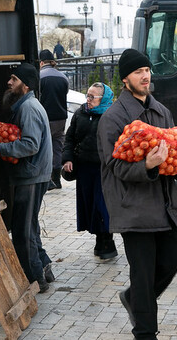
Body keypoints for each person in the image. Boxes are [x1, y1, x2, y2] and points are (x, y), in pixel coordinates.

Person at [97, 49, 177, 339]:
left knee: (173, 258)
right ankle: (145, 331)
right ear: (125, 80)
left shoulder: (161, 111)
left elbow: (173, 157)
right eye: (137, 72)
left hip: (165, 205)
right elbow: (114, 166)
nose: (145, 76)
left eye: (146, 69)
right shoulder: (112, 118)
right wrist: (146, 165)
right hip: (133, 207)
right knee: (143, 274)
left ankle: (134, 299)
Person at [0, 63, 55, 293]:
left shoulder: (29, 108)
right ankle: (43, 266)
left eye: (13, 79)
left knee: (23, 231)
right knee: (29, 226)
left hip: (31, 175)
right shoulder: (27, 105)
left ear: (25, 85)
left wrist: (0, 148)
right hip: (33, 173)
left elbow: (30, 144)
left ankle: (35, 279)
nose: (9, 83)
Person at [62, 82, 117, 260]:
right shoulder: (81, 113)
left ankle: (107, 242)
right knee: (89, 205)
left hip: (104, 170)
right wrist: (68, 158)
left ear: (103, 99)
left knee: (102, 206)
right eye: (88, 95)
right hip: (84, 168)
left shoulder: (112, 116)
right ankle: (99, 240)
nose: (88, 100)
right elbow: (69, 138)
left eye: (92, 97)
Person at [38, 49, 69, 190]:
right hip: (61, 118)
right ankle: (57, 179)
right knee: (57, 147)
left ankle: (48, 180)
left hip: (46, 118)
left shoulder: (40, 77)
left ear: (41, 62)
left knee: (45, 148)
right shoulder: (63, 77)